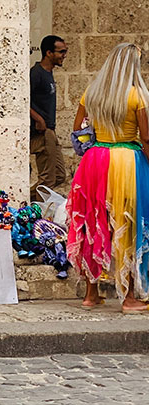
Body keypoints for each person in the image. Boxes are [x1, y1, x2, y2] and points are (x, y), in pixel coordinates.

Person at [66, 43, 149, 312]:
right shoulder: (137, 96)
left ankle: (91, 295)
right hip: (127, 160)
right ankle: (128, 298)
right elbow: (146, 137)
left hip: (96, 160)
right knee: (129, 223)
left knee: (95, 222)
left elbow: (77, 128)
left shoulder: (92, 92)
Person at [30, 35, 68, 200]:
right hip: (42, 133)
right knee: (47, 179)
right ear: (48, 53)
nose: (64, 55)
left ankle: (24, 198)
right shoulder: (36, 73)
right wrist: (38, 118)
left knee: (59, 175)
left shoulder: (48, 73)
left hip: (50, 131)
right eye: (61, 51)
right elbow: (21, 100)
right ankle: (34, 211)